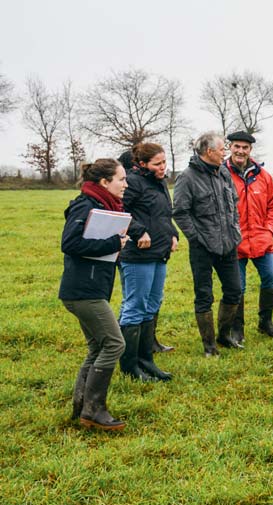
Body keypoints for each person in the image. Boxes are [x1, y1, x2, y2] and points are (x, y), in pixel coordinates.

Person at [60, 159, 130, 430]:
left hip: (89, 289)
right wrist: (115, 242)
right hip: (83, 291)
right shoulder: (85, 205)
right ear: (104, 182)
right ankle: (94, 410)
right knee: (115, 344)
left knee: (97, 347)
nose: (125, 184)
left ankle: (81, 407)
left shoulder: (102, 205)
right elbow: (70, 243)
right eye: (121, 179)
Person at [172, 132, 243, 356]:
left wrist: (234, 229)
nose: (226, 153)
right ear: (209, 151)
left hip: (228, 244)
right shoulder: (187, 177)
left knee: (234, 290)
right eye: (223, 149)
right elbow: (180, 213)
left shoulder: (223, 172)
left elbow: (234, 202)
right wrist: (197, 238)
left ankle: (224, 335)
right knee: (204, 296)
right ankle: (209, 346)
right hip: (203, 248)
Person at [117, 143, 177, 381]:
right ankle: (130, 367)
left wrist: (173, 234)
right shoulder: (132, 183)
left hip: (159, 253)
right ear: (142, 164)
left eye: (164, 162)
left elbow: (163, 214)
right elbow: (119, 210)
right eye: (157, 164)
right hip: (137, 255)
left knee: (152, 304)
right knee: (135, 307)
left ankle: (146, 361)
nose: (163, 167)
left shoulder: (159, 182)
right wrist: (138, 231)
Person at [224, 131, 273, 343]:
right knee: (237, 287)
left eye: (245, 147)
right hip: (234, 243)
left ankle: (265, 322)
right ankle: (237, 328)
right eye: (237, 146)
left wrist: (269, 231)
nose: (240, 151)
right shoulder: (221, 174)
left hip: (262, 240)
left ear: (250, 150)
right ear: (229, 147)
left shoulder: (263, 176)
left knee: (271, 278)